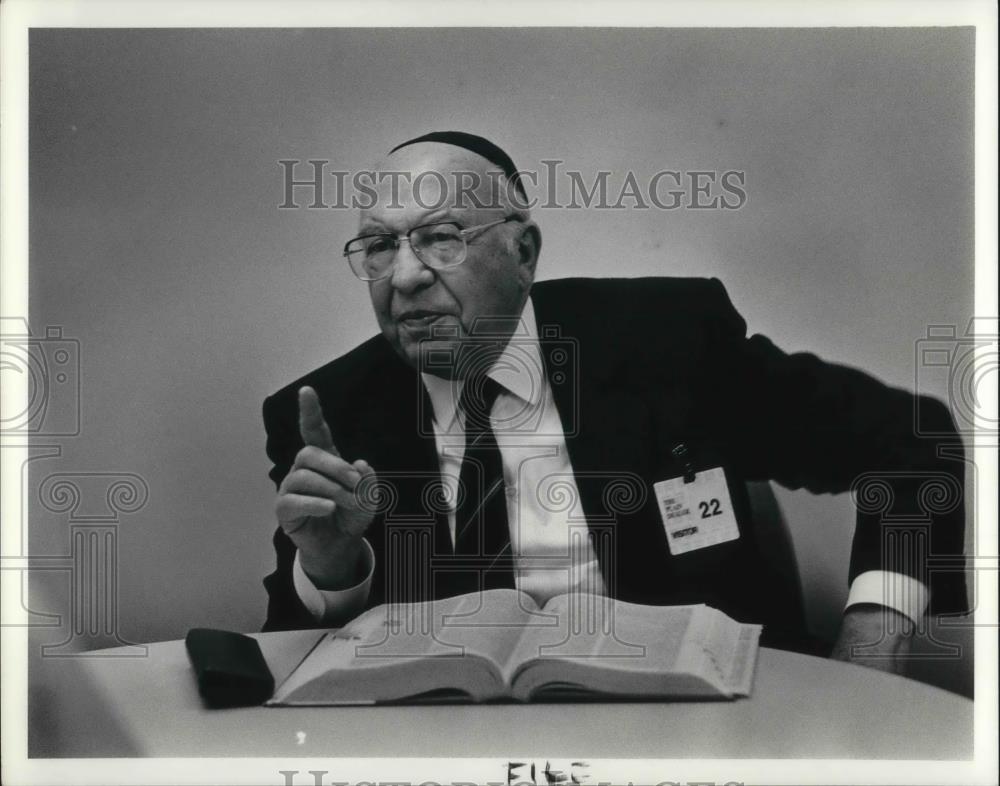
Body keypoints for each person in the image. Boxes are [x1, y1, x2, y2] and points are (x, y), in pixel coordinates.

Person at [262, 131, 967, 672]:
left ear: (524, 254)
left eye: (442, 238)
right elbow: (297, 660)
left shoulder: (670, 340)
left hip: (703, 731)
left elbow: (911, 443)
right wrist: (332, 570)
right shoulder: (332, 411)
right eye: (380, 246)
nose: (406, 276)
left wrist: (874, 634)